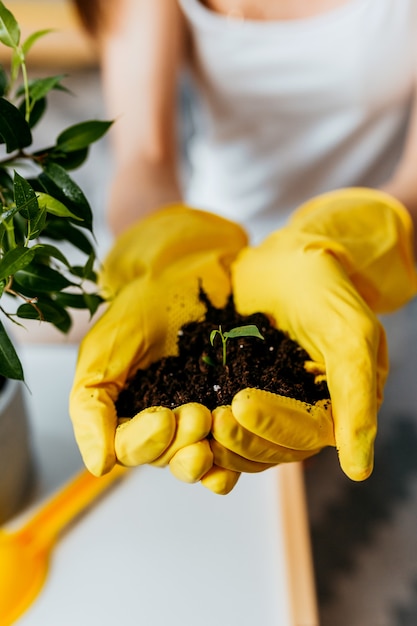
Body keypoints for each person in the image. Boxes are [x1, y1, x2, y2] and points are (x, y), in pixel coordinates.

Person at [69, 0, 417, 494]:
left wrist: (347, 245)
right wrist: (165, 254)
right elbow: (144, 156)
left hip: (360, 256)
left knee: (334, 403)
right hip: (206, 243)